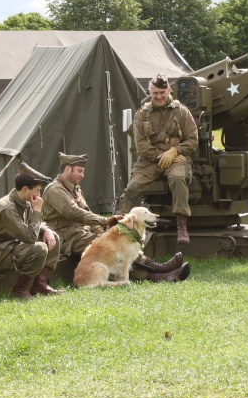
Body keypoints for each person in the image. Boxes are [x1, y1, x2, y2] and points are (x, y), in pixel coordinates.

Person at [43, 152, 189, 282]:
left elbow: (86, 210)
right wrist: (104, 220)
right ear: (68, 169)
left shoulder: (74, 189)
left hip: (81, 234)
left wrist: (101, 230)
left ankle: (161, 273)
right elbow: (74, 213)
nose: (82, 175)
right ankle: (158, 272)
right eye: (80, 171)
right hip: (66, 238)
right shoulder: (55, 190)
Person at [116, 74, 199, 245]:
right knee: (133, 187)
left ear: (169, 91)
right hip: (150, 159)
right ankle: (120, 224)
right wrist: (161, 156)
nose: (159, 97)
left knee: (178, 179)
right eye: (155, 93)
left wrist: (174, 151)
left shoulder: (182, 112)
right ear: (149, 92)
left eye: (162, 92)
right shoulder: (142, 114)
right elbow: (141, 144)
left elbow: (192, 140)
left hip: (176, 157)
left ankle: (181, 226)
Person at [0, 162, 62, 299]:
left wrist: (46, 230)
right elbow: (29, 237)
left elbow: (30, 227)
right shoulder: (7, 208)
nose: (39, 195)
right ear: (25, 189)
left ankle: (39, 284)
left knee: (52, 236)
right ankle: (20, 289)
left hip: (12, 247)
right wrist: (37, 210)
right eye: (37, 191)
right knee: (40, 248)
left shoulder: (24, 202)